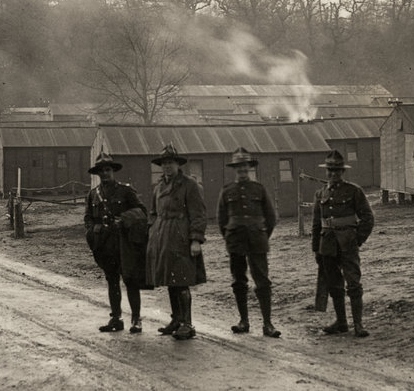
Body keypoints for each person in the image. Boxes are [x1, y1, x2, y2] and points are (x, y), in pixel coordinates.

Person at [217, 147, 281, 338]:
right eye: (239, 169)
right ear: (234, 170)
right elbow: (222, 220)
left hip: (257, 240)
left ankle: (267, 324)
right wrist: (229, 236)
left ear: (250, 169)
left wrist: (262, 235)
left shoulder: (259, 189)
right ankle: (243, 321)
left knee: (262, 281)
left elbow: (271, 218)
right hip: (236, 240)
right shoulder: (227, 190)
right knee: (238, 281)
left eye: (245, 168)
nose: (243, 172)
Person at [146, 144, 207, 340]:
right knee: (170, 280)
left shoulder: (189, 185)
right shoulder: (158, 187)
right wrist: (153, 232)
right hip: (163, 238)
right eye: (164, 164)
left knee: (181, 280)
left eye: (170, 163)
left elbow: (198, 214)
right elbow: (153, 213)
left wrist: (196, 240)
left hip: (181, 237)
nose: (167, 167)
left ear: (177, 164)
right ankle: (176, 319)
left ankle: (188, 324)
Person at [311, 150, 375, 337]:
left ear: (343, 172)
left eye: (337, 170)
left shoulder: (354, 191)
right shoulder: (320, 193)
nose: (333, 174)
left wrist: (357, 239)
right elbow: (316, 224)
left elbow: (368, 218)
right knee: (333, 284)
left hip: (348, 244)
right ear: (326, 171)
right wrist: (316, 248)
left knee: (353, 283)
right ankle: (341, 322)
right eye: (330, 170)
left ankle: (358, 324)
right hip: (327, 245)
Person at [84, 151, 148, 333]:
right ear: (97, 174)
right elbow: (88, 217)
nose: (105, 173)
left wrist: (124, 219)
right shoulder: (93, 194)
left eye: (108, 170)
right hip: (105, 244)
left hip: (124, 242)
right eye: (101, 171)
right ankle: (116, 318)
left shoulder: (125, 191)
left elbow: (141, 211)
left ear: (113, 171)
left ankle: (136, 319)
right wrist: (92, 231)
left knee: (130, 280)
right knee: (111, 280)